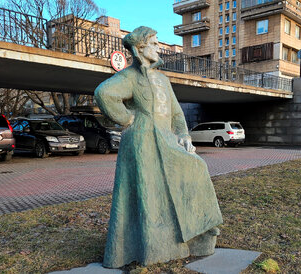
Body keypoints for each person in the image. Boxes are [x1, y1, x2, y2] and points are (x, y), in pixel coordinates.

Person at [95, 26, 223, 268]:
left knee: (196, 168)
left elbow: (176, 112)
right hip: (142, 140)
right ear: (140, 48)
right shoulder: (131, 76)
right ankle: (152, 244)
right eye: (153, 43)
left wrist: (184, 135)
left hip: (167, 139)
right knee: (150, 194)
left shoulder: (163, 79)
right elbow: (104, 93)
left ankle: (199, 230)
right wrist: (127, 118)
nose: (158, 47)